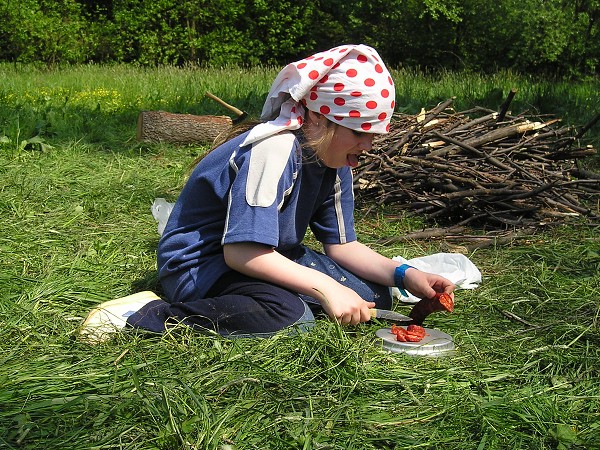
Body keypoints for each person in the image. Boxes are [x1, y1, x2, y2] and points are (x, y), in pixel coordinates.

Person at [81, 44, 455, 342]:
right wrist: (325, 287)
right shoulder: (272, 150)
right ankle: (146, 316)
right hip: (205, 263)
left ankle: (289, 298)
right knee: (291, 316)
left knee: (376, 295)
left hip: (270, 255)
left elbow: (343, 247)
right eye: (359, 132)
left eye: (374, 135)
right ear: (317, 117)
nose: (369, 145)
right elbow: (241, 252)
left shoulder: (336, 160)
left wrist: (406, 274)